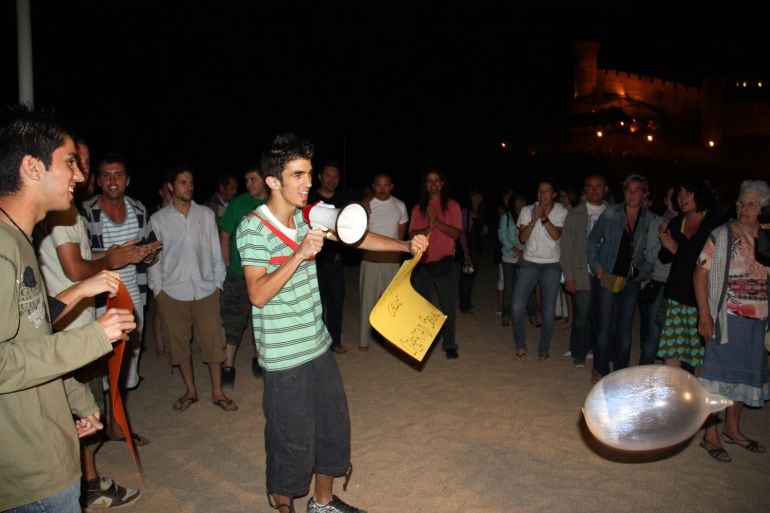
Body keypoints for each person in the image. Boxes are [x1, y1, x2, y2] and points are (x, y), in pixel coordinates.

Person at [236, 133, 427, 513]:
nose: (308, 183)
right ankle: (285, 504)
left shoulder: (309, 214)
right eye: (298, 175)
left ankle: (322, 504)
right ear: (273, 180)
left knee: (332, 428)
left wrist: (405, 247)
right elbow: (257, 294)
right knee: (292, 440)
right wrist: (299, 252)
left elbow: (356, 237)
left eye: (309, 173)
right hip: (284, 356)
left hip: (318, 346)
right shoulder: (252, 228)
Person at [0, 104, 134, 513]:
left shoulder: (21, 240)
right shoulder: (3, 247)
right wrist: (95, 336)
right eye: (69, 162)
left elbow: (33, 335)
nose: (80, 175)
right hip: (30, 474)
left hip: (47, 446)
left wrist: (75, 400)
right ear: (32, 167)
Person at [38, 138, 155, 510]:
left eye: (83, 163)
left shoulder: (79, 213)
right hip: (73, 323)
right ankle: (88, 482)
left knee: (99, 392)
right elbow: (76, 269)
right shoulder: (67, 214)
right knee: (84, 402)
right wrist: (112, 261)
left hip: (89, 314)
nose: (82, 173)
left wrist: (131, 256)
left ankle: (97, 460)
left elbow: (90, 258)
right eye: (77, 163)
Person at [148, 165, 236, 412]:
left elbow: (214, 249)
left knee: (213, 340)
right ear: (170, 186)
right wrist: (158, 291)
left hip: (205, 288)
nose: (188, 186)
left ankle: (218, 393)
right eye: (183, 182)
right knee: (179, 344)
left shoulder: (205, 215)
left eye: (190, 182)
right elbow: (155, 258)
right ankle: (191, 390)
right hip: (173, 292)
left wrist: (218, 282)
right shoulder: (158, 220)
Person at [694, 179, 770, 462]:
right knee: (717, 380)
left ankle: (733, 429)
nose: (744, 208)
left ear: (764, 207)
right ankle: (710, 434)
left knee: (744, 377)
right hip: (727, 317)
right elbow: (700, 274)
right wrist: (704, 314)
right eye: (741, 203)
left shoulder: (768, 234)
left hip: (760, 319)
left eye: (751, 204)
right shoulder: (721, 235)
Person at [82, 154, 156, 390]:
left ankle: (121, 401)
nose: (113, 181)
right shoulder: (85, 212)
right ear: (98, 180)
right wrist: (112, 256)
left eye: (118, 175)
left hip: (132, 292)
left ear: (128, 180)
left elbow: (147, 247)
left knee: (130, 352)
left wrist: (149, 254)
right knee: (100, 354)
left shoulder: (138, 209)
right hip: (100, 295)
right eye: (106, 175)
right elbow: (77, 258)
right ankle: (106, 408)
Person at [587, 174, 655, 382]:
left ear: (644, 194)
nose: (632, 194)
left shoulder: (650, 219)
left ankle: (621, 370)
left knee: (625, 329)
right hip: (607, 276)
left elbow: (653, 254)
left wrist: (641, 275)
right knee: (605, 326)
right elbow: (592, 242)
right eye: (628, 190)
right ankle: (600, 368)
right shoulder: (611, 213)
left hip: (631, 281)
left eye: (637, 190)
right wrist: (597, 268)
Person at [656, 178, 724, 371]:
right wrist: (664, 240)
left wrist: (676, 248)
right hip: (677, 295)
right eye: (679, 194)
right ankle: (676, 394)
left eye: (687, 193)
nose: (682, 198)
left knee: (701, 352)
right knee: (673, 349)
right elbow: (665, 257)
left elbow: (705, 262)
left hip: (702, 298)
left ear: (700, 195)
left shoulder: (716, 224)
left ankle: (700, 396)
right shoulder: (677, 222)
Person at [219, 165, 267, 387]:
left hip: (267, 275)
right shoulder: (238, 203)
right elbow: (225, 233)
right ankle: (228, 365)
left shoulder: (274, 204)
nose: (248, 184)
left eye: (253, 179)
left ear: (266, 179)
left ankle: (259, 358)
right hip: (239, 273)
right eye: (246, 180)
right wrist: (228, 265)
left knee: (263, 319)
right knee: (233, 319)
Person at [511, 179, 568, 361]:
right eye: (540, 191)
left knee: (548, 310)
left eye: (547, 191)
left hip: (552, 264)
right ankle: (520, 345)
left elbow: (556, 235)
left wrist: (544, 217)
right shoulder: (527, 210)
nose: (542, 194)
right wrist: (534, 219)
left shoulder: (561, 211)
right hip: (529, 262)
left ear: (554, 195)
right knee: (517, 306)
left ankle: (543, 349)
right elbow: (523, 238)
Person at [408, 168, 462, 359]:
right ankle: (427, 341)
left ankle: (449, 344)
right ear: (425, 185)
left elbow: (456, 233)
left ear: (442, 183)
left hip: (445, 262)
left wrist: (436, 223)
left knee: (448, 306)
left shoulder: (452, 206)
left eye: (436, 180)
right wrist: (427, 227)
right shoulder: (417, 208)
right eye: (429, 181)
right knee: (423, 306)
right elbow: (412, 234)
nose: (433, 184)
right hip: (422, 263)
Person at [559, 174, 608, 368]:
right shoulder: (576, 214)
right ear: (584, 190)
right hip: (582, 272)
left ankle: (598, 351)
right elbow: (566, 247)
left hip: (605, 274)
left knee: (602, 317)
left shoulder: (613, 213)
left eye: (598, 187)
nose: (594, 191)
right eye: (589, 187)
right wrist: (568, 276)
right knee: (581, 316)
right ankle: (579, 352)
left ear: (605, 189)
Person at [358, 173, 408, 351]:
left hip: (392, 261)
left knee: (392, 303)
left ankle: (392, 340)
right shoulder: (366, 205)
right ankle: (364, 341)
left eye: (386, 185)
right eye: (378, 185)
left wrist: (396, 252)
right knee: (367, 302)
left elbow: (401, 233)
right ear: (373, 186)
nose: (382, 189)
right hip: (370, 259)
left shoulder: (400, 205)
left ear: (392, 186)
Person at [308, 161, 351, 354]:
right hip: (313, 262)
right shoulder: (310, 199)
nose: (331, 180)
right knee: (315, 304)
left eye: (335, 176)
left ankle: (335, 341)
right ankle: (319, 344)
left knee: (336, 303)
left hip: (335, 262)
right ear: (319, 176)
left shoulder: (344, 201)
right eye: (328, 175)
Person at [497, 192, 524, 327]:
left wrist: (523, 253)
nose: (520, 204)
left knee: (523, 288)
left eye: (522, 201)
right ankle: (506, 315)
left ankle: (523, 314)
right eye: (517, 201)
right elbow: (502, 236)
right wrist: (516, 251)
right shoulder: (506, 217)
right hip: (509, 256)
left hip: (524, 257)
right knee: (508, 288)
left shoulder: (528, 217)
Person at [457, 189, 487, 314]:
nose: (477, 197)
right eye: (474, 195)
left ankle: (468, 302)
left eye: (479, 195)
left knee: (472, 278)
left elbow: (480, 232)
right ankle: (464, 305)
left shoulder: (480, 213)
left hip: (478, 250)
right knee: (465, 277)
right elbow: (462, 232)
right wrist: (465, 251)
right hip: (468, 249)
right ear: (470, 197)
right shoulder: (466, 211)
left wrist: (485, 230)